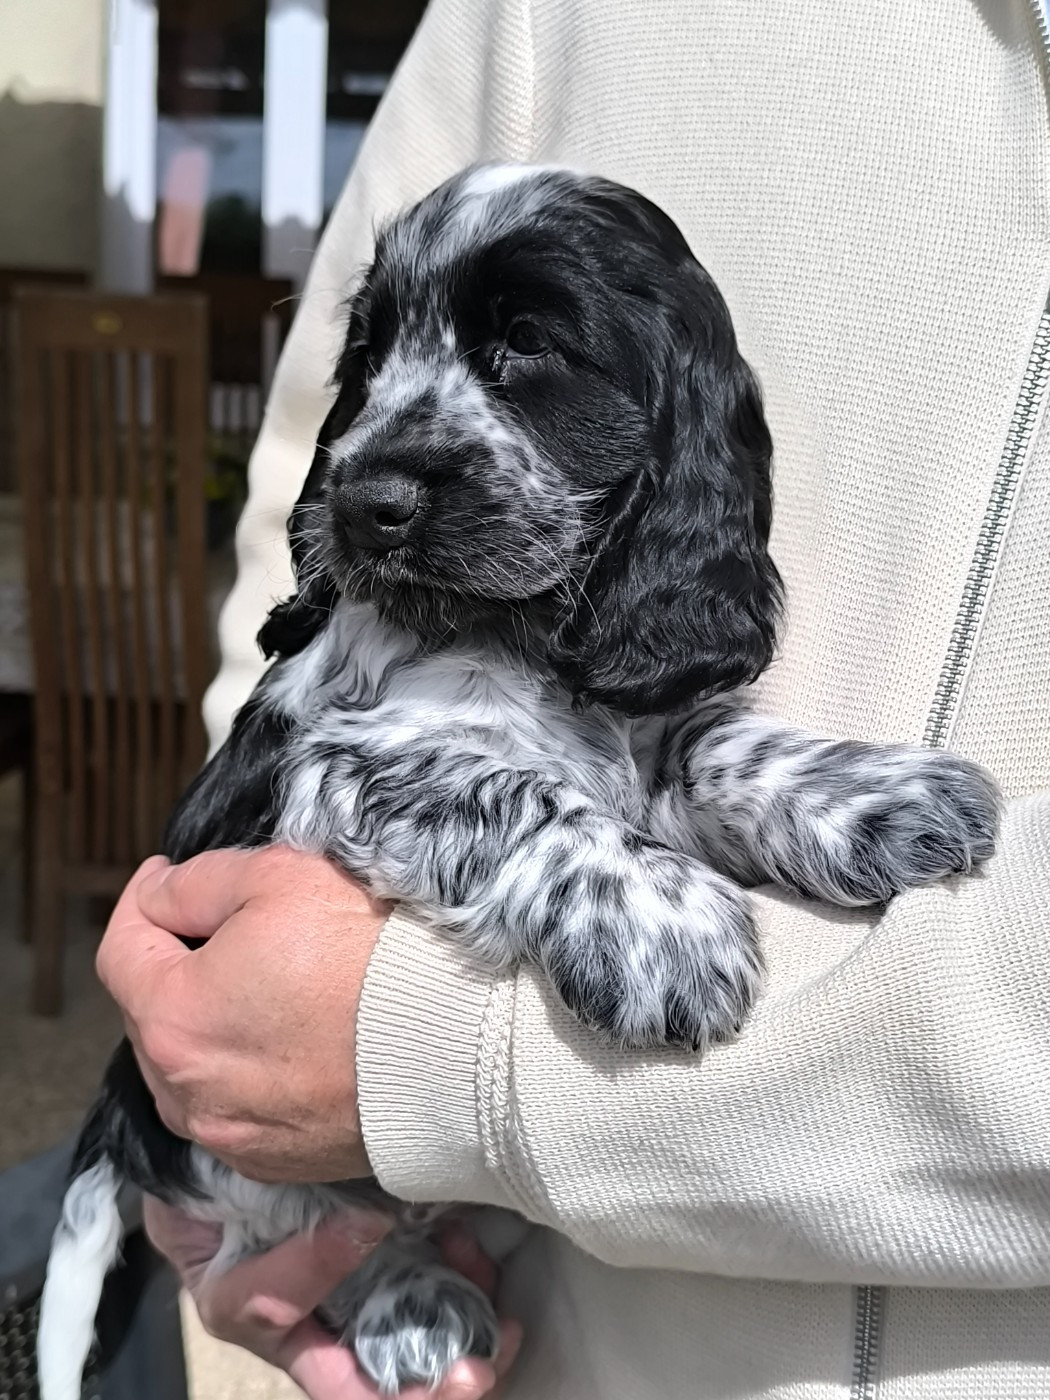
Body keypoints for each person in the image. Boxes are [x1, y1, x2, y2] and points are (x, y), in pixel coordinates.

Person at [96, 0, 1050, 1396]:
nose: (385, 448)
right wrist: (239, 1096)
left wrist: (435, 1060)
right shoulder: (533, 19)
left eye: (521, 347)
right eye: (386, 349)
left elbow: (614, 739)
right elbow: (299, 658)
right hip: (531, 1332)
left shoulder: (660, 360)